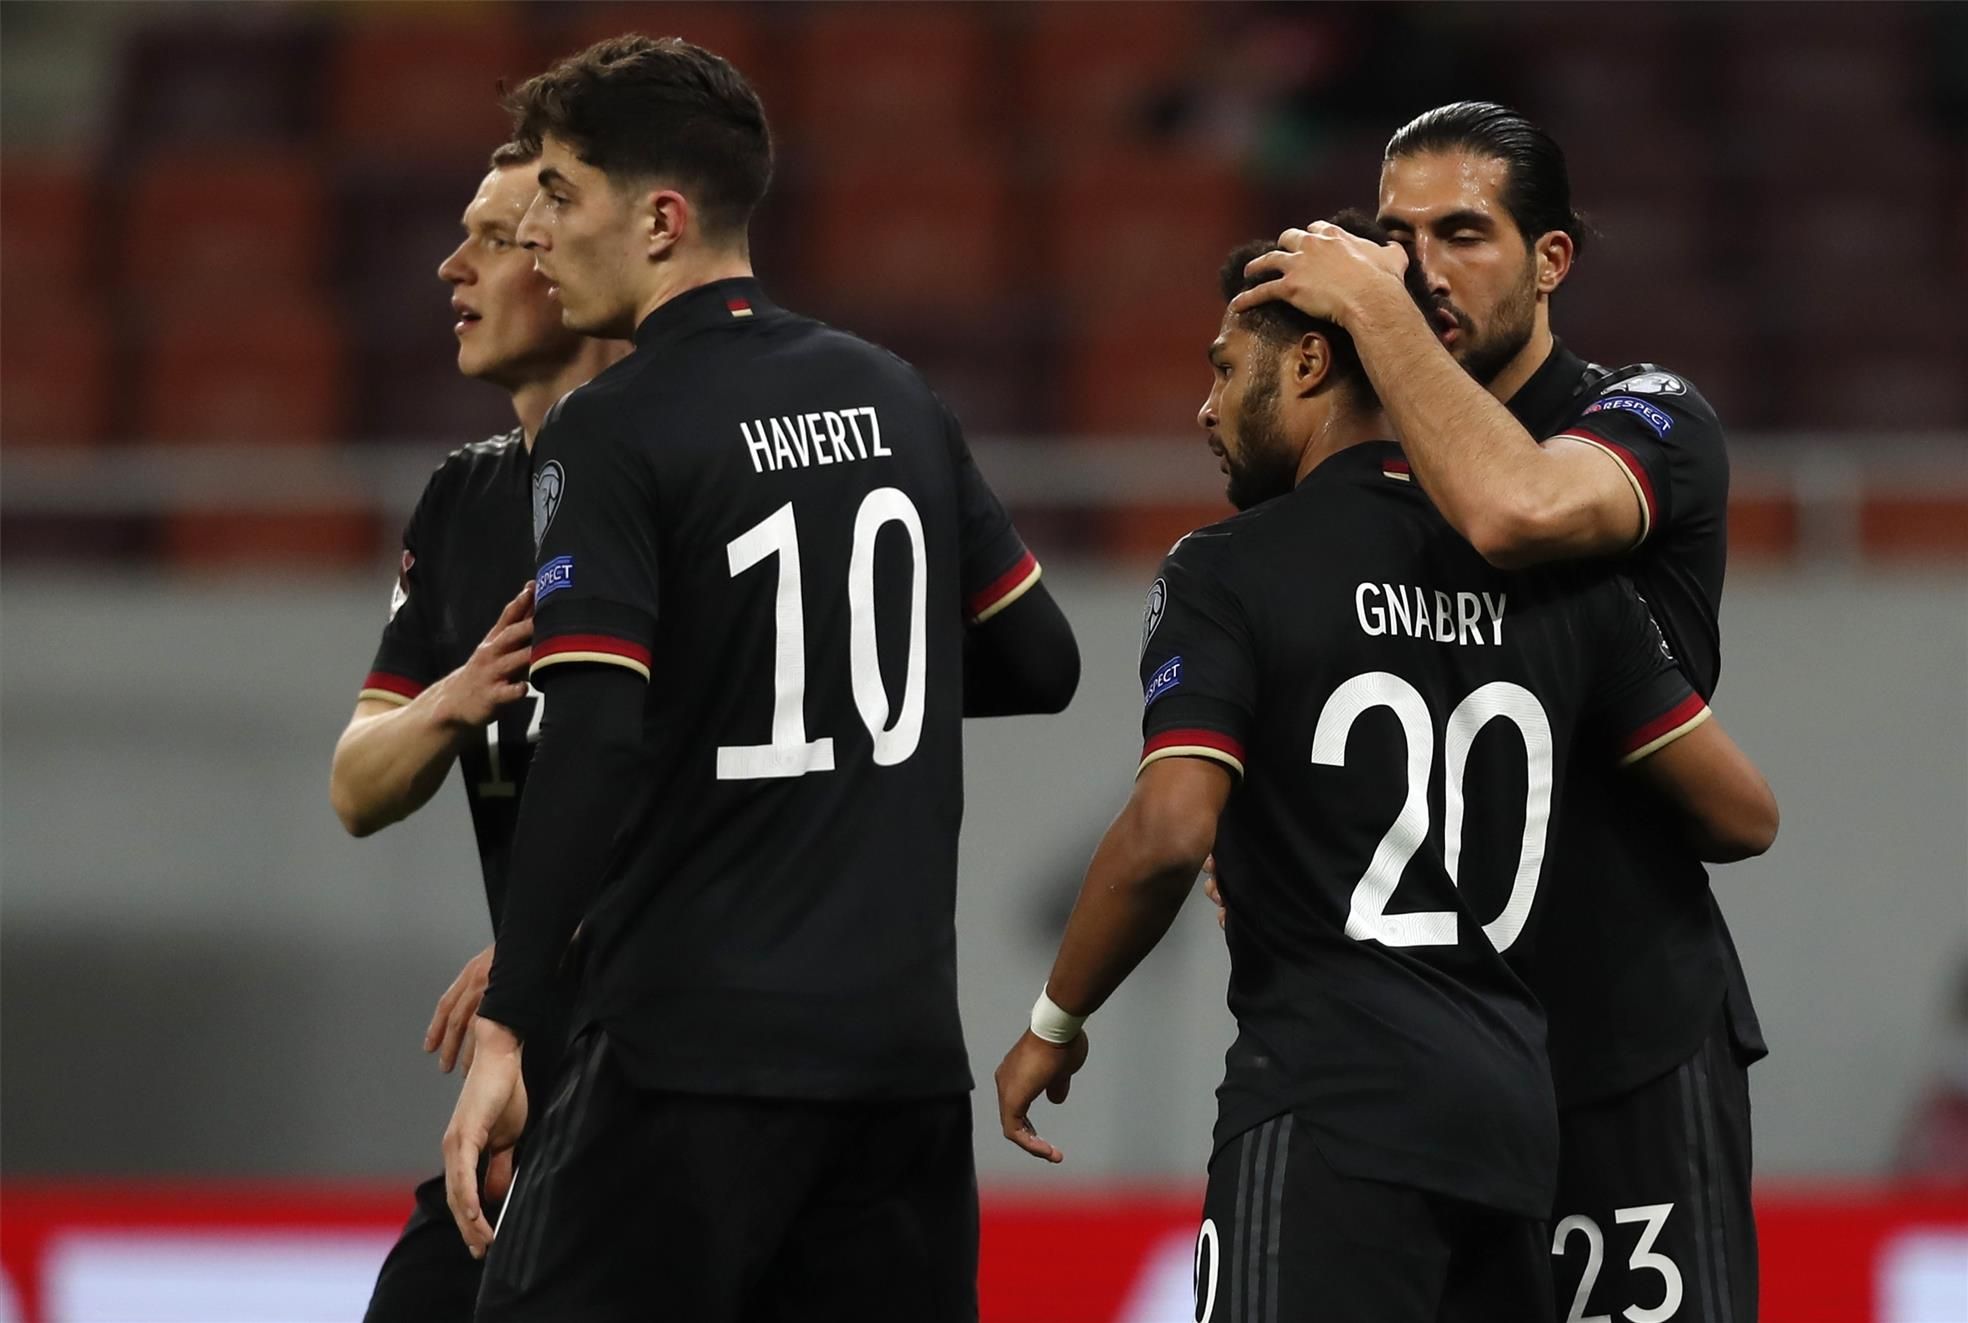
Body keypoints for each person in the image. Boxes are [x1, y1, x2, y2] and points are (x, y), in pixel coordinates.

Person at [993, 226, 1777, 1322]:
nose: (1206, 410)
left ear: (1311, 363)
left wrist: (1054, 1023)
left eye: (1224, 367)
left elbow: (1170, 829)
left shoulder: (1229, 570)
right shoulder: (1560, 586)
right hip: (1516, 1121)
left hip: (1332, 1101)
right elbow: (1743, 814)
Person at [437, 35, 1079, 1322]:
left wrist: (512, 1022)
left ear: (662, 220)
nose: (540, 235)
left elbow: (597, 740)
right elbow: (1041, 660)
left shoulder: (610, 428)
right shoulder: (893, 392)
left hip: (693, 1058)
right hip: (900, 1068)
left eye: (561, 195)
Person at [1229, 103, 1768, 1322]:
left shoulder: (1645, 417)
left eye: (1463, 232)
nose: (1419, 267)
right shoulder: (1362, 479)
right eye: (1394, 235)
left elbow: (1517, 509)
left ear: (1552, 259)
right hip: (1440, 1079)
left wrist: (1368, 309)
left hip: (1622, 1037)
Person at [328, 140, 627, 1323]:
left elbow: (752, 792)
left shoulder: (678, 487)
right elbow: (358, 786)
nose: (450, 268)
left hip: (671, 1065)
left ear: (565, 263)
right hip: (534, 1070)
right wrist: (450, 698)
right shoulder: (466, 498)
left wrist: (549, 932)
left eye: (490, 241)